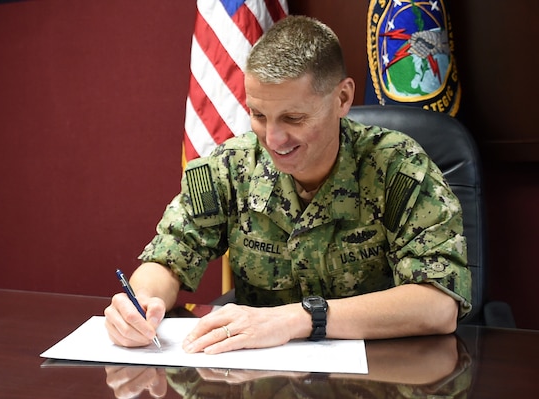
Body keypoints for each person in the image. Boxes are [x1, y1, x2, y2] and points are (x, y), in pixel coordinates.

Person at [104, 15, 472, 355]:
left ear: (342, 98)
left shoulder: (397, 168)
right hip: (262, 376)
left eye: (293, 118)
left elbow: (438, 305)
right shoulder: (230, 168)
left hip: (381, 372)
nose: (274, 139)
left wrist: (299, 318)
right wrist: (142, 301)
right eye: (259, 116)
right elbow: (168, 257)